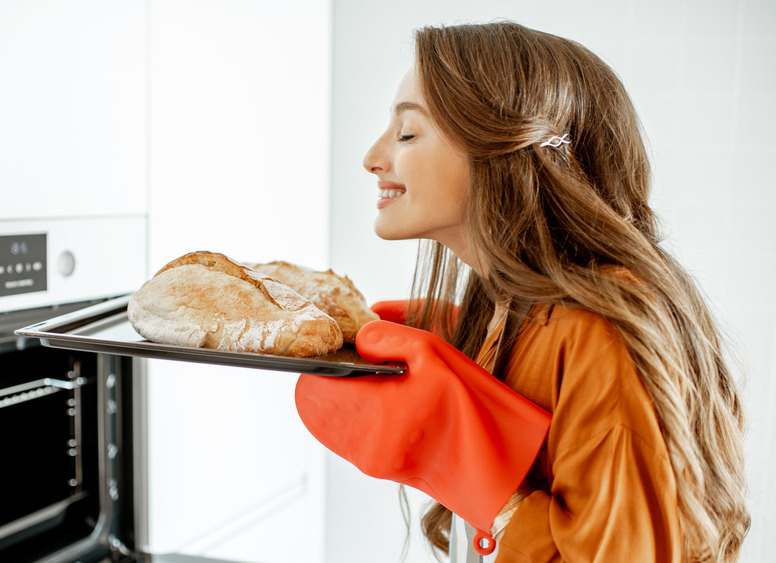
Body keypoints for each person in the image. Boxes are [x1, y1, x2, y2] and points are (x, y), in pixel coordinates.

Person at [294, 21, 750, 562]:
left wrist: (474, 472)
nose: (373, 157)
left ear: (504, 150)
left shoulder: (597, 332)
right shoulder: (504, 309)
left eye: (408, 133)